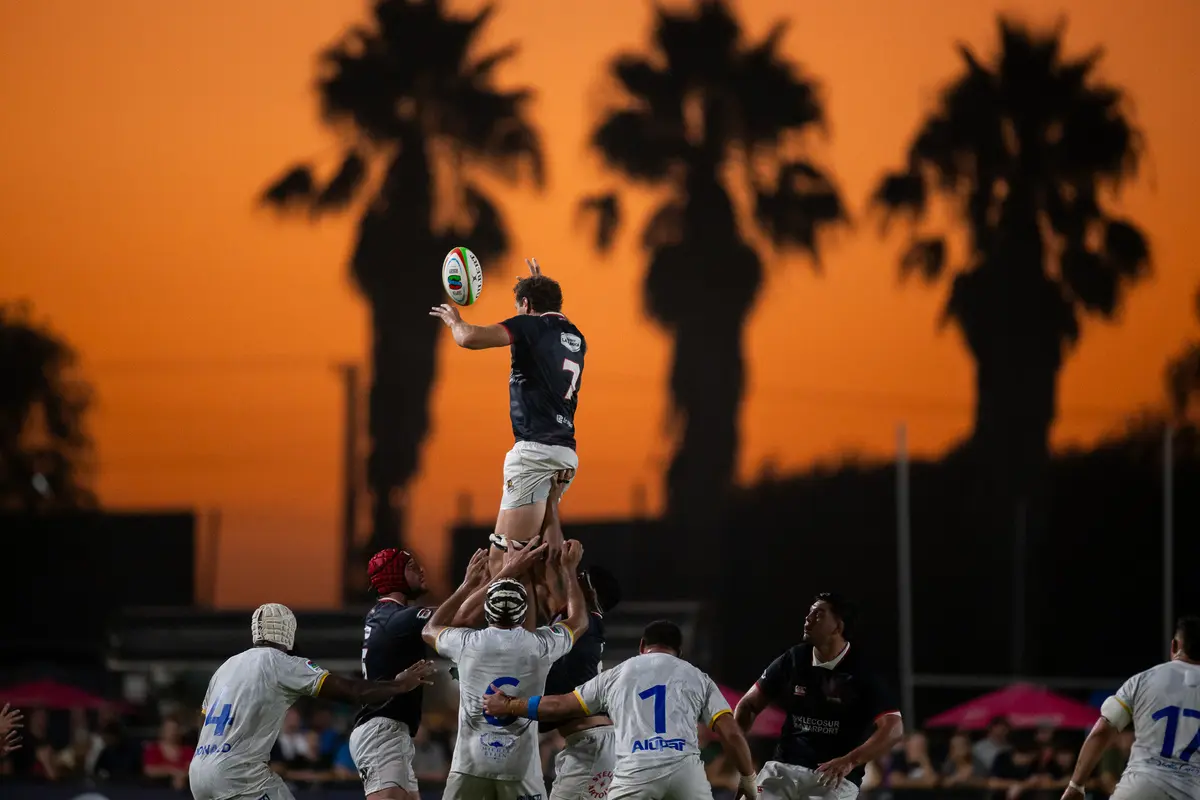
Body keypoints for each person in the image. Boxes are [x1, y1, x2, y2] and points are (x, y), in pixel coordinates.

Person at [483, 619, 761, 800]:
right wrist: (748, 780)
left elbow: (559, 705)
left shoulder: (618, 674)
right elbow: (732, 734)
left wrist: (510, 704)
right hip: (685, 774)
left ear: (642, 646)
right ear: (680, 651)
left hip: (636, 774)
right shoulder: (697, 677)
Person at [429, 257, 586, 570]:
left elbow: (468, 338)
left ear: (526, 305)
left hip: (535, 454)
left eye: (519, 306)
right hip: (564, 452)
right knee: (536, 564)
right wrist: (538, 285)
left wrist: (454, 321)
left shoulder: (528, 325)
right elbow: (548, 319)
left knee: (502, 561)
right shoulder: (575, 335)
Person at [188, 603, 436, 800]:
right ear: (289, 631)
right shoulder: (280, 662)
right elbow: (352, 691)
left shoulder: (225, 667)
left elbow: (203, 722)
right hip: (239, 775)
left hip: (198, 772)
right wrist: (399, 685)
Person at [422, 541, 590, 800]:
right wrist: (569, 569)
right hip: (520, 766)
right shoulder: (540, 646)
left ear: (487, 611)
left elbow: (430, 629)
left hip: (469, 764)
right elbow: (579, 621)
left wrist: (469, 585)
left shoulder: (466, 643)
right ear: (524, 614)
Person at [734, 593, 904, 800]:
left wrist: (850, 760)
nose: (808, 618)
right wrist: (742, 761)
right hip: (782, 768)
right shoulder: (794, 658)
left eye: (818, 614)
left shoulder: (863, 670)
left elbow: (894, 727)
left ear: (837, 627)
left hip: (835, 778)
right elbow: (748, 705)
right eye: (810, 612)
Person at [538, 474, 622, 800]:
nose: (572, 575)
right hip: (588, 741)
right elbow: (553, 559)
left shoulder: (586, 621)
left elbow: (560, 569)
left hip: (592, 743)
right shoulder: (574, 617)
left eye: (581, 577)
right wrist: (551, 500)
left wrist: (571, 571)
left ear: (591, 592)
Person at [1062, 615, 1200, 800]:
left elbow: (1101, 731)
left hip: (1140, 786)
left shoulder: (1143, 680)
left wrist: (1075, 785)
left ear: (1174, 646)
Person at [349, 548, 436, 800]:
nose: (421, 570)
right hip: (382, 731)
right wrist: (477, 584)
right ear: (394, 574)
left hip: (389, 731)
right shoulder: (394, 618)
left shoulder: (383, 614)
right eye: (411, 566)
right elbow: (460, 615)